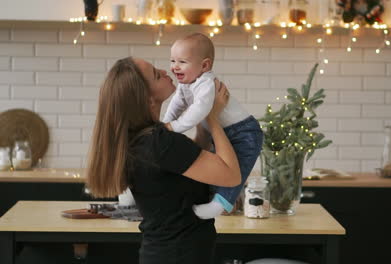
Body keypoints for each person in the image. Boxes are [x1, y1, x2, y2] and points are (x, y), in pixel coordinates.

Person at [86, 57, 241, 264]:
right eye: (156, 75)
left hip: (165, 253)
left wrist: (203, 121)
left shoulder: (144, 139)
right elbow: (231, 175)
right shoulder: (160, 143)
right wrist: (213, 118)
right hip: (179, 256)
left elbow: (188, 164)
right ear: (147, 99)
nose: (166, 70)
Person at [163, 33, 263, 219]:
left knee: (236, 171)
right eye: (172, 60)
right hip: (223, 132)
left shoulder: (206, 83)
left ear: (204, 66)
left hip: (244, 132)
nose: (174, 66)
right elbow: (177, 104)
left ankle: (220, 204)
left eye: (182, 61)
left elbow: (199, 112)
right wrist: (165, 125)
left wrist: (174, 127)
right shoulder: (187, 84)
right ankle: (217, 199)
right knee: (218, 168)